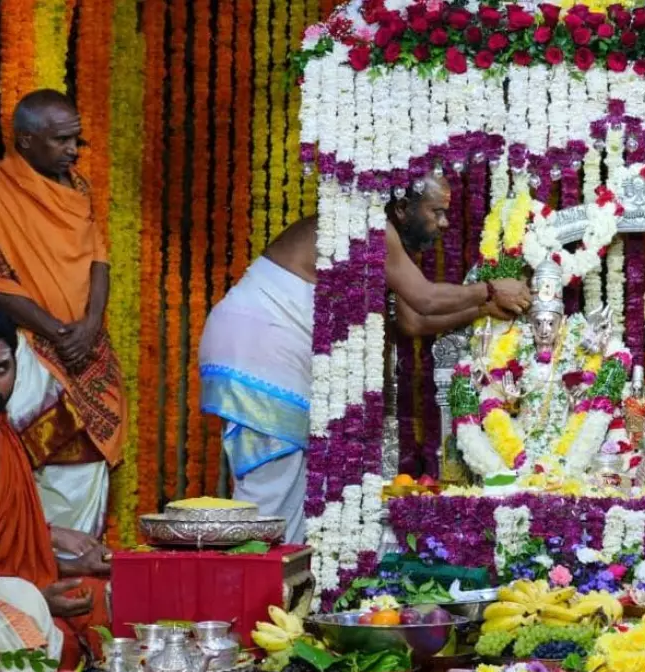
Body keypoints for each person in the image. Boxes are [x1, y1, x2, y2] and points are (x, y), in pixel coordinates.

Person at [199, 173, 530, 542]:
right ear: (403, 208)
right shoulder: (367, 222)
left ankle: (279, 588)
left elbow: (414, 320)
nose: (444, 223)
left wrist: (482, 309)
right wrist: (489, 289)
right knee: (273, 483)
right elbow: (426, 299)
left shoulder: (384, 242)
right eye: (436, 212)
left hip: (264, 347)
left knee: (295, 485)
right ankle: (246, 585)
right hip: (260, 344)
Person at [0, 89, 126, 538]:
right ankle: (25, 563)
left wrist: (89, 327)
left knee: (84, 455)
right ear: (25, 140)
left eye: (76, 141)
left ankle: (78, 567)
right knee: (20, 452)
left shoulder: (77, 187)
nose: (72, 150)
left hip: (83, 350)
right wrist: (55, 330)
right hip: (23, 347)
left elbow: (98, 257)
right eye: (61, 140)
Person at [0, 304, 111, 670]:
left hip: (15, 588)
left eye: (0, 369)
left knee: (115, 599)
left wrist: (71, 566)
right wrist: (34, 598)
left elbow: (3, 553)